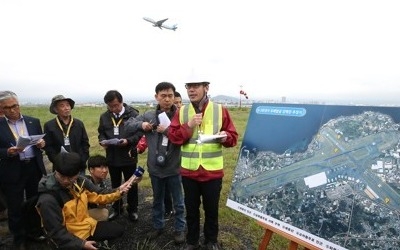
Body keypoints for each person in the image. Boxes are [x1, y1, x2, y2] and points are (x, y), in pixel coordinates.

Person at [168, 78, 238, 250]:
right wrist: (189, 125)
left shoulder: (220, 110)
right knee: (191, 211)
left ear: (206, 87)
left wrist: (225, 137)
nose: (191, 90)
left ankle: (211, 241)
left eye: (196, 86)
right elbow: (173, 137)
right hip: (189, 171)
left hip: (212, 171)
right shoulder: (182, 111)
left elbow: (233, 137)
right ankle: (192, 241)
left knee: (211, 210)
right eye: (188, 87)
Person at [36, 150, 137, 249]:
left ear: (78, 173)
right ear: (56, 171)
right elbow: (56, 233)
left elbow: (99, 195)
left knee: (118, 230)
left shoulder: (79, 182)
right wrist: (81, 244)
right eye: (62, 176)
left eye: (71, 177)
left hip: (85, 226)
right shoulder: (48, 200)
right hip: (69, 237)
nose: (66, 181)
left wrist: (119, 191)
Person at [125, 82, 186, 244]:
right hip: (155, 168)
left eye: (170, 96)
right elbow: (128, 125)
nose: (167, 99)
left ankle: (180, 229)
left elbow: (184, 137)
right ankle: (158, 226)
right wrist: (142, 125)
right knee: (157, 200)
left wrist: (167, 130)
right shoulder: (148, 115)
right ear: (156, 97)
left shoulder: (181, 115)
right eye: (163, 96)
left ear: (175, 97)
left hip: (174, 168)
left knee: (179, 202)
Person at [0, 91, 47, 249]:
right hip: (12, 169)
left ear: (19, 104)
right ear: (1, 109)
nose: (12, 110)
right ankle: (19, 238)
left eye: (14, 106)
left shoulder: (33, 121)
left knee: (34, 201)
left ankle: (34, 231)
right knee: (15, 205)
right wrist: (7, 152)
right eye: (7, 108)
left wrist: (42, 144)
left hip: (33, 167)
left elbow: (40, 141)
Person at [98, 90, 142, 222]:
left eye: (116, 105)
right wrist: (102, 140)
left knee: (131, 184)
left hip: (128, 155)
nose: (113, 109)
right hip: (112, 156)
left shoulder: (133, 114)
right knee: (115, 184)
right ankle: (117, 209)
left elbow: (140, 134)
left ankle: (133, 210)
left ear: (121, 102)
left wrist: (128, 141)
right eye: (110, 106)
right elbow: (101, 132)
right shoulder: (105, 116)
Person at [44, 95, 90, 174]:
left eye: (68, 105)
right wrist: (57, 161)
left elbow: (85, 143)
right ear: (55, 109)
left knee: (80, 185)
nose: (66, 108)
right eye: (62, 106)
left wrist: (82, 160)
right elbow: (49, 147)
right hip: (60, 167)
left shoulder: (79, 124)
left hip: (78, 165)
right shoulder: (49, 126)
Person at [86, 154, 110, 221]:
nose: (105, 170)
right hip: (79, 214)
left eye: (106, 167)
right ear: (91, 170)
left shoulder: (101, 182)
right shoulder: (86, 182)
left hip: (89, 210)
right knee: (104, 214)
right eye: (101, 168)